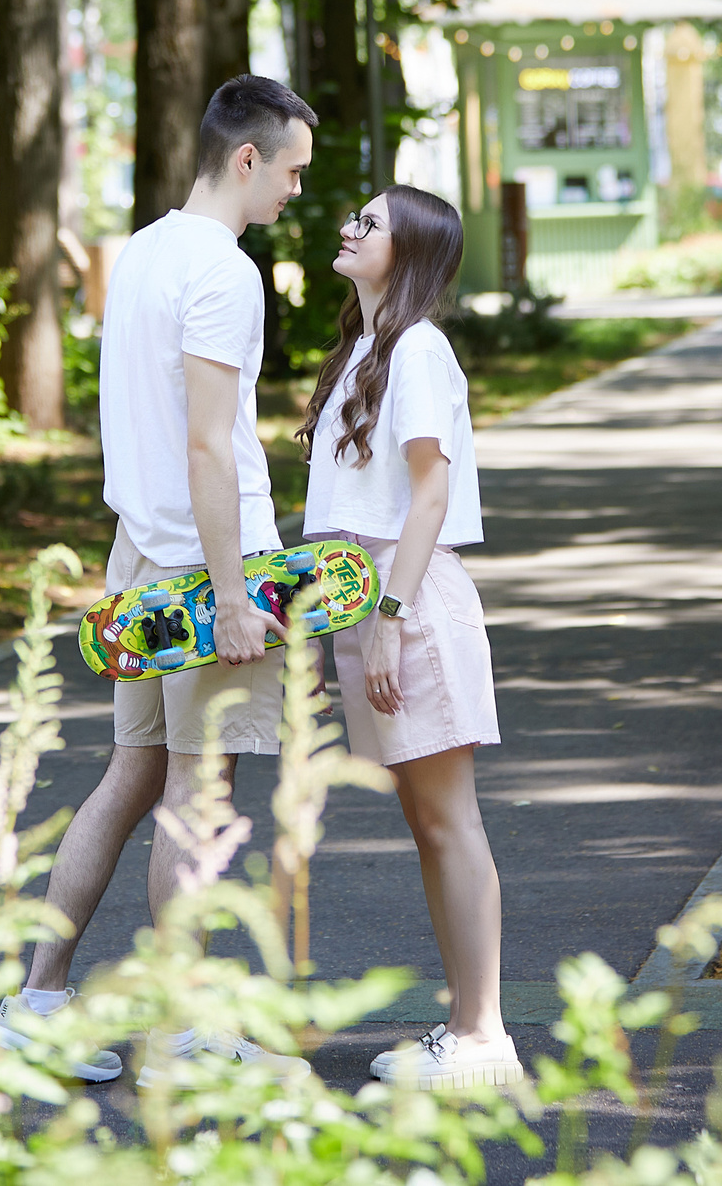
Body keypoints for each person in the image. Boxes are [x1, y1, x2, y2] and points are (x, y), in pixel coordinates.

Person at [0, 75, 317, 1088]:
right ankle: (183, 1033)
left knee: (133, 775)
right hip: (199, 565)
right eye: (293, 171)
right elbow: (210, 448)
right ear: (247, 158)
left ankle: (38, 997)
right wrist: (232, 595)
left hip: (137, 553)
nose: (298, 193)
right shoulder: (224, 274)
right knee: (195, 793)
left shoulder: (139, 251)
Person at [300, 186, 516, 1090]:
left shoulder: (419, 349)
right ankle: (465, 1026)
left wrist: (388, 616)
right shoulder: (365, 349)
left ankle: (483, 1036)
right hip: (372, 600)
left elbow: (429, 493)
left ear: (412, 250)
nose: (350, 229)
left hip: (409, 599)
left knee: (446, 818)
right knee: (427, 823)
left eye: (370, 222)